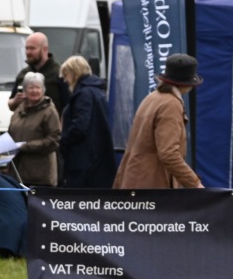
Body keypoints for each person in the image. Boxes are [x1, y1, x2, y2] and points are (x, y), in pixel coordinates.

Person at [114, 53, 203, 189]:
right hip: (151, 187)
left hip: (134, 181)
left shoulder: (152, 98)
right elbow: (169, 154)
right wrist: (195, 183)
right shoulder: (171, 104)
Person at [58, 55, 116, 189]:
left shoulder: (83, 94)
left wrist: (63, 141)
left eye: (66, 75)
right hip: (97, 158)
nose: (65, 80)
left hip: (83, 161)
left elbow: (80, 126)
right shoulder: (97, 91)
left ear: (74, 73)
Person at [6, 70, 60, 187]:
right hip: (17, 173)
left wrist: (25, 146)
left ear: (43, 90)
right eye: (31, 87)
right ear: (25, 90)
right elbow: (12, 132)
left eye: (38, 87)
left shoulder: (49, 111)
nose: (34, 91)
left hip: (39, 176)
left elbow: (54, 140)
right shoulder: (20, 108)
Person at [10, 31, 68, 114]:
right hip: (26, 121)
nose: (28, 52)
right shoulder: (23, 74)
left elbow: (69, 106)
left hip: (50, 121)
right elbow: (11, 105)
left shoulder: (60, 73)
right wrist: (15, 100)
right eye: (27, 48)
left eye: (32, 48)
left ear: (45, 49)